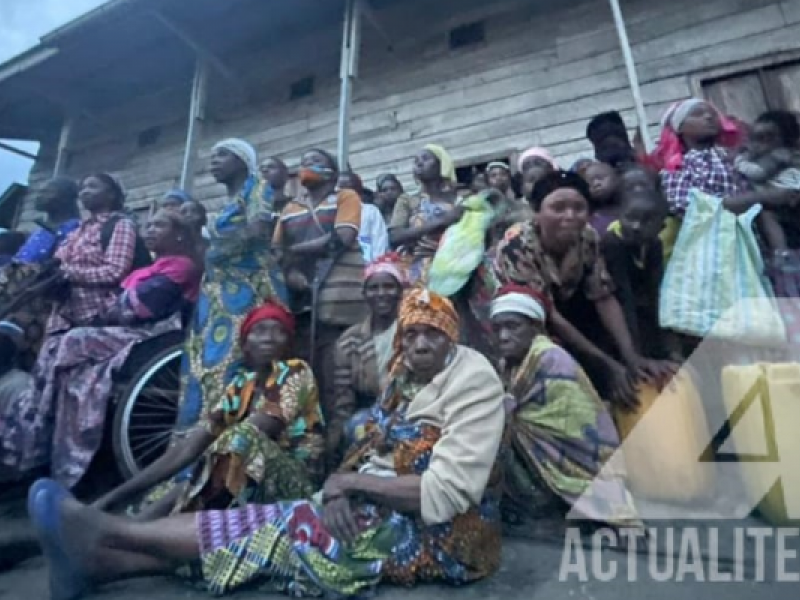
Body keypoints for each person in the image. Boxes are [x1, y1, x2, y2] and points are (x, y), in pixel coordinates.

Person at [30, 289, 505, 600]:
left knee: (279, 527)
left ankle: (107, 535)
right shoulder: (403, 377)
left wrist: (346, 483)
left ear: (452, 337)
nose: (420, 343)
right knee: (264, 529)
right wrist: (349, 488)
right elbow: (375, 450)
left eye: (433, 333)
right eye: (411, 333)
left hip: (443, 535)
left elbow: (448, 493)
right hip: (380, 501)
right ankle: (98, 563)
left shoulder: (471, 380)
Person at [0, 209, 200, 487]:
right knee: (59, 345)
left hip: (157, 334)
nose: (150, 230)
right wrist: (113, 307)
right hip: (130, 331)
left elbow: (142, 307)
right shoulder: (145, 271)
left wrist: (112, 307)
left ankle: (44, 434)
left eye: (159, 225)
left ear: (179, 233)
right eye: (149, 225)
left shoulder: (182, 265)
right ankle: (37, 431)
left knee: (73, 340)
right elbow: (119, 306)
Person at [93, 302, 324, 518]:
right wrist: (112, 496)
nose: (269, 338)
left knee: (233, 443)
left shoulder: (296, 371)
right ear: (245, 344)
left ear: (289, 343)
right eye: (260, 330)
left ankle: (138, 533)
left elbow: (262, 426)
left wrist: (209, 460)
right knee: (188, 481)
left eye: (279, 331)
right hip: (251, 478)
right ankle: (127, 526)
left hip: (295, 485)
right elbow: (188, 448)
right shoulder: (242, 385)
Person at [493, 170, 674, 407]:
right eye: (558, 208)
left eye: (579, 208)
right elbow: (550, 315)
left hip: (565, 308)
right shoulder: (517, 245)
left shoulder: (587, 237)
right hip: (523, 318)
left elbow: (603, 296)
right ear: (537, 212)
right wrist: (609, 366)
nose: (570, 216)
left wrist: (631, 357)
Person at [490, 285, 641, 529]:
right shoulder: (509, 362)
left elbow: (553, 421)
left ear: (536, 328)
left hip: (576, 459)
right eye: (497, 329)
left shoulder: (549, 358)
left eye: (512, 327)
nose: (503, 336)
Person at [176, 139, 289, 435]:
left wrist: (214, 246)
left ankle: (231, 440)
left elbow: (258, 231)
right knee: (203, 368)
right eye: (212, 156)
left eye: (223, 155)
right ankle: (196, 442)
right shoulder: (231, 202)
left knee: (235, 363)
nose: (214, 161)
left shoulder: (258, 188)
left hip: (248, 290)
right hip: (218, 297)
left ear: (243, 161)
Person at [274, 149, 365, 420]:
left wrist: (296, 251)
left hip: (340, 296)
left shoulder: (346, 197)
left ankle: (339, 428)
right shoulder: (290, 209)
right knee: (305, 364)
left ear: (332, 174)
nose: (307, 167)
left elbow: (343, 237)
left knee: (337, 370)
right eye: (303, 162)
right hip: (300, 301)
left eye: (316, 163)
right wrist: (289, 273)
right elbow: (276, 250)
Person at [328, 253, 405, 463]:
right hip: (372, 412)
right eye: (374, 288)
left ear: (400, 291)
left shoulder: (413, 331)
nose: (381, 293)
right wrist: (336, 438)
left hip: (412, 409)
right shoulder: (350, 341)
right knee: (357, 427)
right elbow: (343, 398)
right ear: (365, 294)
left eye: (389, 286)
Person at [0, 178, 82, 370]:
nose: (39, 196)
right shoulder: (39, 231)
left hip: (34, 292)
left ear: (66, 198)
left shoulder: (73, 229)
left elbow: (57, 266)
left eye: (48, 192)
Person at [601, 189, 681, 361]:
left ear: (661, 227)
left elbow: (657, 290)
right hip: (614, 318)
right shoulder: (613, 244)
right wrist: (636, 356)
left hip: (640, 314)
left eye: (647, 221)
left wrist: (670, 347)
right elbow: (624, 296)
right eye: (631, 218)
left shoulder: (654, 245)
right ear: (619, 216)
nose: (636, 226)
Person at [388, 144, 462, 285]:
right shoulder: (407, 200)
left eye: (426, 158)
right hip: (417, 271)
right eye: (416, 161)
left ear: (441, 165)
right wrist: (440, 221)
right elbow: (394, 236)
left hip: (455, 269)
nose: (419, 163)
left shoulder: (458, 199)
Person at [733, 110, 800, 256]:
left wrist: (738, 161)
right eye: (756, 138)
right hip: (782, 196)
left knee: (767, 215)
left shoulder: (779, 155)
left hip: (789, 191)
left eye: (766, 139)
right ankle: (781, 252)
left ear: (785, 139)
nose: (758, 145)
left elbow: (757, 173)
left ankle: (781, 252)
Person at [338, 171, 388, 262]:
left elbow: (379, 239)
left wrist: (375, 265)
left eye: (350, 189)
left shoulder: (370, 211)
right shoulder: (330, 212)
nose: (345, 193)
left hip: (366, 265)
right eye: (341, 189)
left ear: (359, 190)